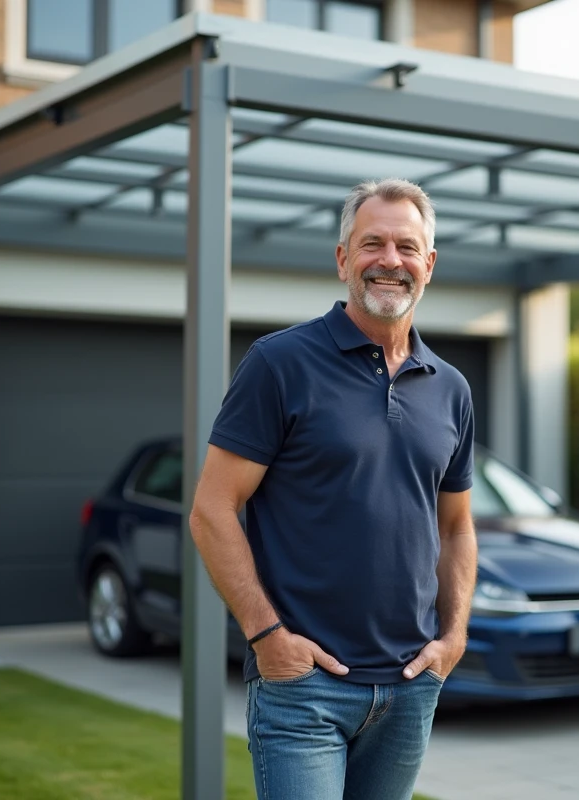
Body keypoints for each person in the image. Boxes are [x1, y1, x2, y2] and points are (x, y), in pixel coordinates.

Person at [188, 178, 478, 800]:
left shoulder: (451, 388)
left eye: (407, 247)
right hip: (304, 688)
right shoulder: (279, 363)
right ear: (343, 258)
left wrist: (453, 639)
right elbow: (212, 509)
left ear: (429, 264)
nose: (390, 260)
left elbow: (455, 526)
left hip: (410, 687)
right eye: (372, 243)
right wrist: (267, 637)